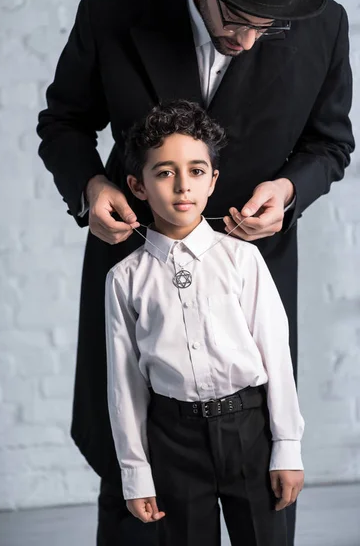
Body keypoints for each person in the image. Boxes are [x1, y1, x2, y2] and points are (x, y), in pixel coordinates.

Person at [36, 0, 354, 544]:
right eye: (235, 20)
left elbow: (331, 143)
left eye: (268, 27)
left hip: (249, 258)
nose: (249, 40)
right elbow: (64, 122)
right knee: (128, 463)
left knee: (263, 480)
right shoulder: (111, 13)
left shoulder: (324, 25)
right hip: (135, 254)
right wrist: (90, 185)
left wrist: (287, 192)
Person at [105, 100, 305, 546]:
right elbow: (124, 383)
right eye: (164, 173)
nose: (182, 186)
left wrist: (287, 447)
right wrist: (136, 474)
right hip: (174, 443)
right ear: (138, 185)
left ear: (213, 180)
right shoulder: (124, 279)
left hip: (248, 434)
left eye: (196, 171)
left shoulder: (242, 258)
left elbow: (276, 353)